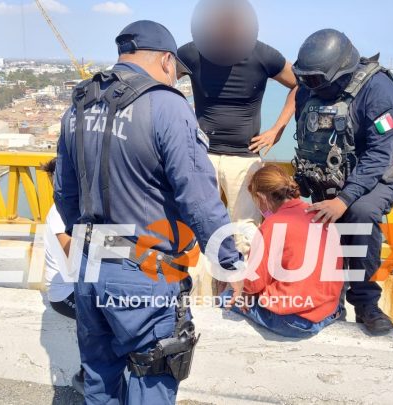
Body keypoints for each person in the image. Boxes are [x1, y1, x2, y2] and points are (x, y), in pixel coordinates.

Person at [54, 20, 242, 404]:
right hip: (144, 270)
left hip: (89, 265)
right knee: (153, 378)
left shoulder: (79, 103)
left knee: (99, 378)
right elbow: (199, 198)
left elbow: (64, 191)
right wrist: (229, 262)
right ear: (168, 62)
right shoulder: (167, 106)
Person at [291, 29, 393, 335]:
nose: (308, 86)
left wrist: (344, 199)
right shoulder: (307, 91)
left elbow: (379, 154)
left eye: (316, 80)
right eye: (305, 79)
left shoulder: (378, 90)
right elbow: (308, 138)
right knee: (314, 224)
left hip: (375, 174)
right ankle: (328, 299)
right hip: (330, 175)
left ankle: (366, 302)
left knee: (360, 214)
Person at [178, 0, 298, 256]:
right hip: (202, 154)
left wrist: (278, 129)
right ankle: (201, 289)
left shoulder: (263, 55)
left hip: (244, 157)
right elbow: (159, 82)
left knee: (245, 229)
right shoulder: (192, 53)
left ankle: (242, 289)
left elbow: (300, 84)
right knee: (196, 224)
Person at [221, 165, 344, 338]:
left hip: (294, 321)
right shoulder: (319, 213)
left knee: (225, 297)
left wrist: (242, 289)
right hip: (329, 311)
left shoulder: (271, 226)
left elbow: (254, 283)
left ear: (262, 197)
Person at [40, 159, 76, 320]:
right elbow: (73, 254)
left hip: (81, 287)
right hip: (66, 293)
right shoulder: (59, 212)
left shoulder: (77, 206)